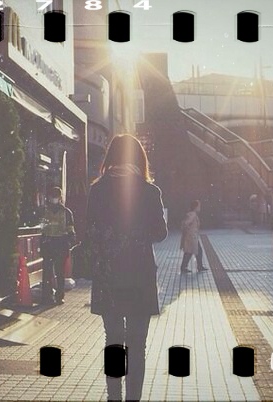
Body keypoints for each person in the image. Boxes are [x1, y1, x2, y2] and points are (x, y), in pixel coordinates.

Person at [85, 134, 167, 401]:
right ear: (139, 158)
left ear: (110, 156)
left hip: (108, 276)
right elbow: (161, 233)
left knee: (112, 341)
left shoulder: (97, 190)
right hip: (140, 276)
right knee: (137, 346)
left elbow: (89, 232)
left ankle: (113, 398)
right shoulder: (149, 191)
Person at [40, 186, 76, 305]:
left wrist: (70, 241)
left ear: (59, 197)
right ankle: (48, 296)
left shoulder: (66, 212)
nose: (54, 199)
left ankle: (58, 296)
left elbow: (70, 230)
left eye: (55, 196)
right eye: (52, 196)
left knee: (58, 272)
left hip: (59, 244)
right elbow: (42, 229)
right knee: (49, 273)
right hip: (51, 244)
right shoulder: (46, 212)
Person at [180, 200, 208, 273]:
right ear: (195, 207)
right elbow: (186, 223)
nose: (200, 208)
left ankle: (195, 266)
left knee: (192, 251)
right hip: (191, 237)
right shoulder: (193, 215)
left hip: (192, 236)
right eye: (199, 206)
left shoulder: (192, 214)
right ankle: (196, 266)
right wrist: (189, 231)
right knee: (192, 251)